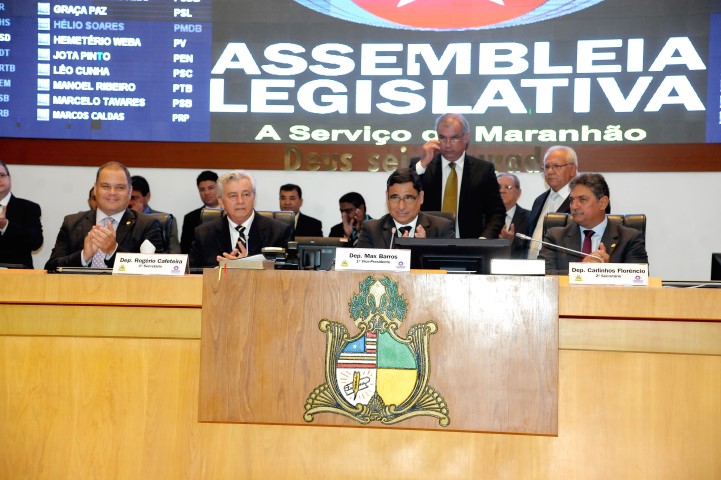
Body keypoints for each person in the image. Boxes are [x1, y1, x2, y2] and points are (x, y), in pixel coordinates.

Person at [45, 162, 164, 272]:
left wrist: (113, 251)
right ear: (96, 189)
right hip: (79, 292)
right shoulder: (71, 223)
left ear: (129, 191)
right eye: (105, 186)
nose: (112, 192)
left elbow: (156, 270)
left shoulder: (148, 225)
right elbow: (51, 267)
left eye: (120, 187)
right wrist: (83, 256)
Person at [410, 113, 505, 239]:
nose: (448, 144)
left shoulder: (483, 170)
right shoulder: (423, 166)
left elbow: (497, 213)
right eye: (442, 138)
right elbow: (406, 194)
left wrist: (483, 241)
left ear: (466, 137)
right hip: (429, 244)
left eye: (454, 138)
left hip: (471, 248)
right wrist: (422, 164)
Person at [540, 173, 648, 275]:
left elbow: (639, 279)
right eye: (572, 200)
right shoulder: (555, 237)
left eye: (582, 200)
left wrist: (607, 271)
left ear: (603, 203)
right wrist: (581, 270)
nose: (574, 206)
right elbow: (542, 275)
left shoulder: (630, 239)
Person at [189, 170, 292, 268]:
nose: (240, 201)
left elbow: (285, 274)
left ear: (254, 198)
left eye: (246, 194)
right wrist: (222, 270)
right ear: (220, 201)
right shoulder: (204, 234)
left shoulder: (278, 232)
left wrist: (249, 266)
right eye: (233, 195)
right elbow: (193, 274)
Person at [357, 168, 455, 248]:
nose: (401, 206)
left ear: (421, 198)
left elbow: (450, 269)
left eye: (408, 198)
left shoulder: (442, 229)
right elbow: (361, 270)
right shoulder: (371, 230)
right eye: (395, 197)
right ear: (387, 197)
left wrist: (424, 250)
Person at [526, 146, 578, 259]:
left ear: (573, 170)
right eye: (547, 166)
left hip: (562, 271)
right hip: (531, 270)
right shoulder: (539, 200)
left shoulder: (581, 202)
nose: (550, 171)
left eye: (556, 166)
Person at [0, 160, 44, 268]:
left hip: (18, 275)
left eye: (1, 175)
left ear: (9, 178)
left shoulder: (29, 208)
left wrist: (6, 226)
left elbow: (36, 242)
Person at [129, 175, 181, 253]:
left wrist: (138, 217)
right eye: (128, 197)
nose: (130, 202)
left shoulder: (164, 220)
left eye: (134, 198)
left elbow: (175, 253)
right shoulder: (121, 219)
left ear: (147, 197)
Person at [180, 170, 220, 254]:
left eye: (211, 188)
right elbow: (185, 249)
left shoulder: (231, 214)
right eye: (202, 189)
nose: (206, 193)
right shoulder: (190, 218)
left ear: (219, 188)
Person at [497, 173, 529, 259]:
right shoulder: (483, 217)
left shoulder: (530, 218)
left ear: (518, 193)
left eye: (507, 187)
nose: (502, 191)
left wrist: (510, 242)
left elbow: (529, 248)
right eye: (498, 187)